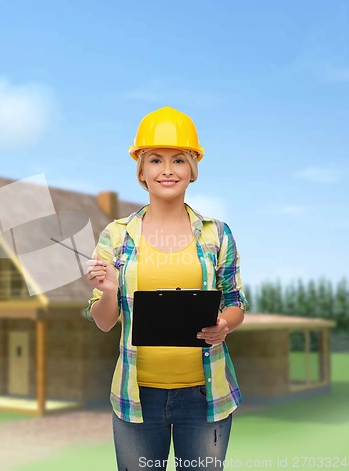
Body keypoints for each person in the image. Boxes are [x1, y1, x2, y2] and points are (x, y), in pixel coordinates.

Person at [84, 106, 250, 471]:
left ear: (193, 168)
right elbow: (103, 322)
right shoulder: (116, 236)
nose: (167, 170)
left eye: (179, 159)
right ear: (140, 170)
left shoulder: (217, 234)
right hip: (137, 395)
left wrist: (225, 325)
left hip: (205, 396)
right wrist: (109, 290)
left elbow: (235, 303)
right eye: (155, 159)